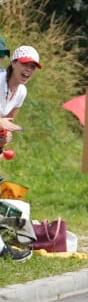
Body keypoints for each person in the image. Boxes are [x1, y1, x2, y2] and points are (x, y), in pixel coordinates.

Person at [0, 46, 41, 262]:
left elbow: (9, 122)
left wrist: (5, 137)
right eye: (25, 64)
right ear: (13, 62)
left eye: (33, 67)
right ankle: (4, 252)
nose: (28, 70)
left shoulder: (22, 92)